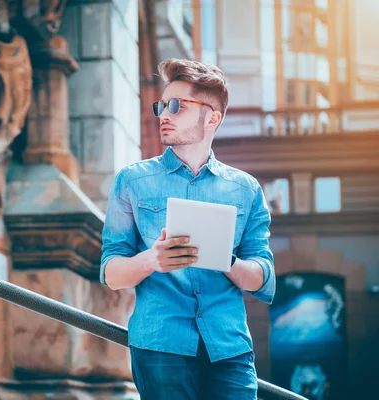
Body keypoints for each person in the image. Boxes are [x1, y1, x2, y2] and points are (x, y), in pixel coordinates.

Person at [100, 59, 276, 400]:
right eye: (162, 105)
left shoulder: (247, 189)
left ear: (212, 118)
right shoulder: (132, 181)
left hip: (229, 349)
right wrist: (152, 260)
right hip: (161, 346)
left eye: (177, 106)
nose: (164, 114)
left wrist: (226, 260)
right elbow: (111, 273)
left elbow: (263, 277)